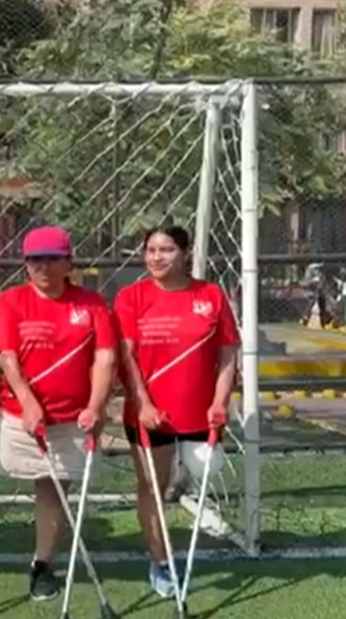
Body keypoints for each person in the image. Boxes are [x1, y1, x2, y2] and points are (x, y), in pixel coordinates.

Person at [0, 225, 116, 602]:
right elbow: (6, 357)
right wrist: (28, 401)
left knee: (54, 490)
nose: (42, 266)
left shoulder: (91, 304)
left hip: (72, 419)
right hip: (19, 415)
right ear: (26, 265)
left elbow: (105, 357)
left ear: (68, 263)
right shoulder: (11, 301)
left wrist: (95, 406)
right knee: (26, 480)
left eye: (52, 258)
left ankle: (41, 564)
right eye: (34, 259)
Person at [114, 225, 239, 598]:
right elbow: (127, 357)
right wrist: (144, 404)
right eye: (150, 250)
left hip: (201, 414)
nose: (156, 257)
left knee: (205, 471)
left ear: (184, 253)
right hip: (152, 415)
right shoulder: (131, 297)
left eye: (166, 249)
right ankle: (161, 560)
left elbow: (228, 353)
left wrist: (220, 401)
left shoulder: (210, 295)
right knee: (153, 485)